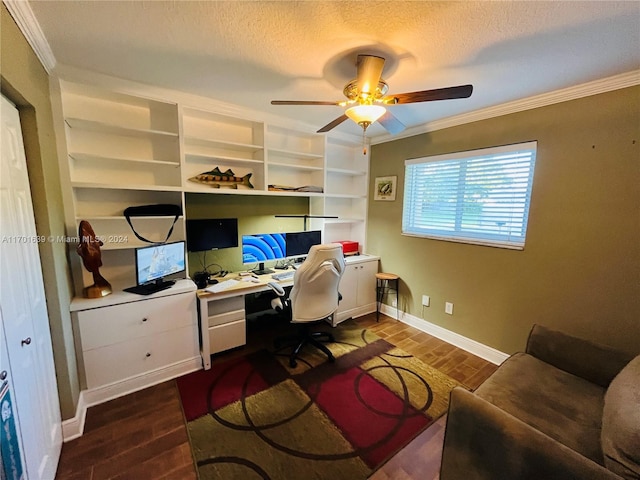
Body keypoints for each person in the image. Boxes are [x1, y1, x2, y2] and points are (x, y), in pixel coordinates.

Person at [76, 220, 112, 298]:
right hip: (90, 257)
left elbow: (100, 243)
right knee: (94, 270)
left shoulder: (92, 239)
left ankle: (99, 282)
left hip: (95, 255)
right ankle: (98, 283)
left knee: (96, 270)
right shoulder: (85, 242)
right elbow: (80, 250)